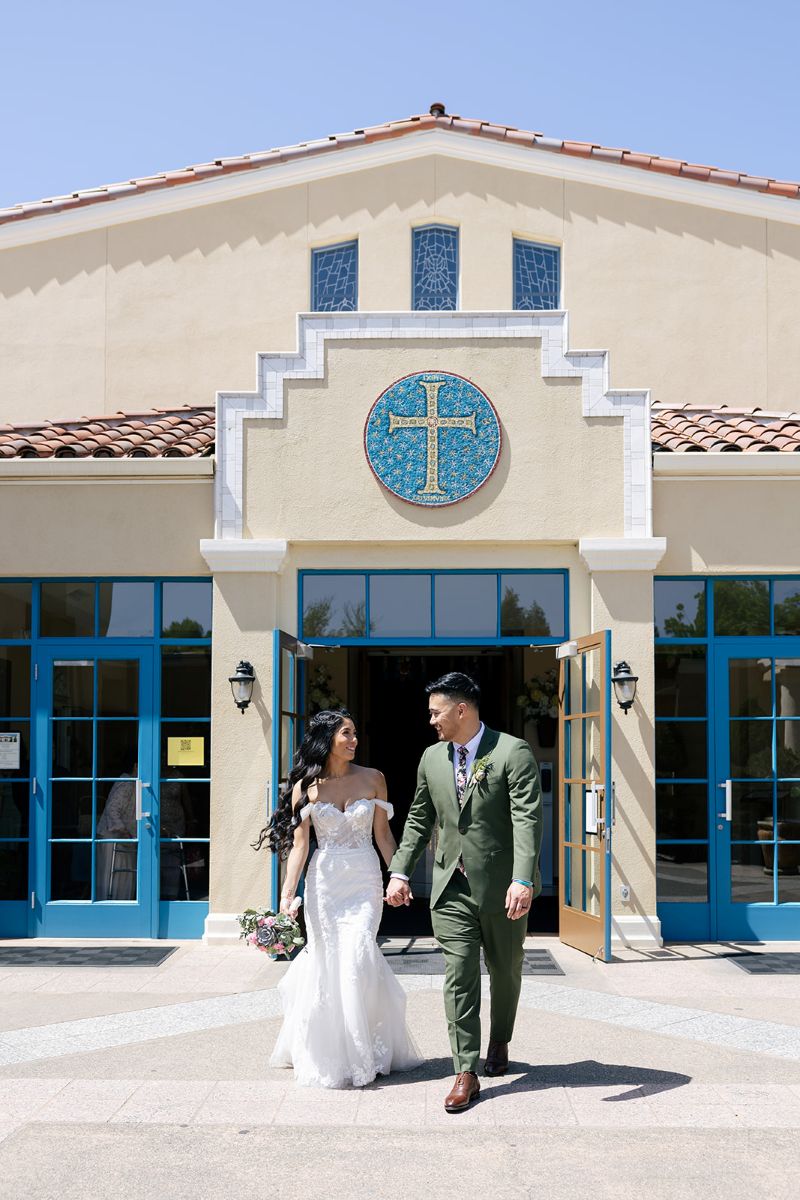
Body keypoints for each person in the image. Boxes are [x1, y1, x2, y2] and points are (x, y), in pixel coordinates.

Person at [386, 672, 542, 1113]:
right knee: (459, 975)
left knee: (506, 970)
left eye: (436, 713)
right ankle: (465, 1070)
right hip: (448, 885)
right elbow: (419, 818)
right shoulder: (431, 758)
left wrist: (523, 878)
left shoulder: (513, 752)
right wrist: (400, 871)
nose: (431, 721)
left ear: (461, 709)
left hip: (502, 886)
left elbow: (528, 819)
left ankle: (500, 1039)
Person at [256, 709, 422, 1089]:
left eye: (355, 733)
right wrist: (287, 895)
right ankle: (330, 1053)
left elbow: (383, 835)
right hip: (324, 884)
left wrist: (398, 876)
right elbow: (299, 848)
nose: (354, 740)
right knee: (329, 961)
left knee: (358, 953)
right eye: (346, 734)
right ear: (327, 739)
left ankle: (364, 1050)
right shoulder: (306, 788)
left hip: (364, 881)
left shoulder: (374, 778)